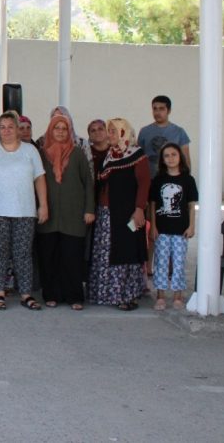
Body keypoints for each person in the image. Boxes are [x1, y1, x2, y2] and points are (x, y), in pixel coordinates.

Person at [0, 112, 48, 311]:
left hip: (25, 210)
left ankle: (25, 294)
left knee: (23, 254)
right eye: (2, 127)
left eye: (10, 127)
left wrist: (43, 205)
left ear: (17, 129)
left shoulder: (30, 151)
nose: (6, 130)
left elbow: (39, 178)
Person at [89, 118, 150, 311]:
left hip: (127, 213)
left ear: (124, 132)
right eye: (110, 131)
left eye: (114, 131)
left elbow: (144, 183)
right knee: (106, 252)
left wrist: (140, 208)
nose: (110, 134)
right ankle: (106, 294)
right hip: (107, 214)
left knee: (126, 251)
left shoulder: (136, 154)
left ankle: (126, 295)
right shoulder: (110, 156)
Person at [36, 115, 95, 310]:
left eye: (64, 128)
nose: (60, 132)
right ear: (50, 130)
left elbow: (88, 183)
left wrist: (89, 209)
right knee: (49, 257)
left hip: (73, 215)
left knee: (72, 258)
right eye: (56, 128)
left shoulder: (77, 154)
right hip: (48, 216)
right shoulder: (42, 154)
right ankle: (51, 294)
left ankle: (74, 296)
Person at [149, 143, 198, 311]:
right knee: (161, 262)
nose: (170, 158)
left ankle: (178, 295)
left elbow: (191, 206)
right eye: (166, 156)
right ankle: (161, 295)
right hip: (162, 230)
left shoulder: (188, 180)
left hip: (181, 230)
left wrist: (192, 225)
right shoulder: (158, 180)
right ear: (162, 160)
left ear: (180, 157)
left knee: (178, 263)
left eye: (173, 154)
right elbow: (153, 205)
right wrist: (153, 226)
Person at [138, 95, 191, 177]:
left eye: (161, 109)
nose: (157, 112)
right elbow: (139, 159)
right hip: (149, 180)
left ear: (169, 111)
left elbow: (186, 160)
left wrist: (185, 179)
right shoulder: (144, 131)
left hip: (171, 180)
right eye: (155, 109)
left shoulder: (179, 132)